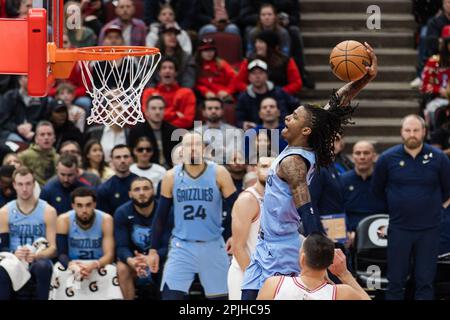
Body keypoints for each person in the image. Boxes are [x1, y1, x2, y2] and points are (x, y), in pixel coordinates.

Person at [240, 42, 378, 300]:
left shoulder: (294, 163)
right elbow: (336, 105)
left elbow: (307, 207)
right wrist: (364, 79)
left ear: (305, 130)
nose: (287, 118)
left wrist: (319, 244)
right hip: (265, 244)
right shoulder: (304, 144)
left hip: (281, 248)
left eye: (293, 116)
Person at [147, 132, 238, 300]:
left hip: (213, 245)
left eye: (197, 145)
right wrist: (153, 250)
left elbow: (237, 207)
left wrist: (234, 235)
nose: (193, 149)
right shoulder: (170, 177)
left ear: (204, 149)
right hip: (182, 247)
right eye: (189, 145)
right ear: (182, 150)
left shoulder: (219, 172)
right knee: (169, 297)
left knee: (222, 299)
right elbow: (160, 217)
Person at [372, 114, 450, 300]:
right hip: (399, 229)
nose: (412, 134)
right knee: (396, 282)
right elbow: (377, 191)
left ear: (424, 132)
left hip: (429, 230)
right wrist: (397, 207)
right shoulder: (387, 159)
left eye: (416, 130)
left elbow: (447, 190)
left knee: (425, 282)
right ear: (401, 132)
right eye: (408, 130)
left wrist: (430, 207)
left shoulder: (439, 158)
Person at [51, 187, 120, 300]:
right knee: (58, 269)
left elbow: (110, 255)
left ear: (94, 205)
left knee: (111, 270)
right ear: (73, 206)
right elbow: (61, 253)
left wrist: (94, 265)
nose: (84, 210)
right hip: (73, 263)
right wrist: (72, 265)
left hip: (98, 263)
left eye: (88, 205)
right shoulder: (63, 220)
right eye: (79, 205)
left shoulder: (106, 219)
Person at [257, 233, 371, 300]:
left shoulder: (275, 284)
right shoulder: (341, 293)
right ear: (328, 263)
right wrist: (344, 274)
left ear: (302, 259)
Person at [0, 166, 57, 300]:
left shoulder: (48, 211)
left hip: (38, 256)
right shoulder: (4, 212)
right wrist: (14, 253)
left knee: (42, 266)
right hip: (14, 258)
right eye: (20, 184)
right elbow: (3, 247)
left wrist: (37, 255)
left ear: (34, 184)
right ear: (14, 185)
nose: (24, 189)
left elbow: (54, 248)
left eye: (28, 184)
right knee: (2, 269)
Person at [114, 177, 172, 300]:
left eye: (146, 188)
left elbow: (169, 245)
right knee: (122, 268)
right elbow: (121, 246)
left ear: (154, 191)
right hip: (135, 261)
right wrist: (132, 261)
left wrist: (151, 258)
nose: (141, 193)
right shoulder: (122, 213)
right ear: (130, 194)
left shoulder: (166, 211)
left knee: (172, 263)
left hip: (161, 258)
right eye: (137, 189)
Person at [227, 156, 274, 300]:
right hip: (245, 274)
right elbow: (238, 248)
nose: (269, 170)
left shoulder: (281, 198)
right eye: (264, 166)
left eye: (273, 166)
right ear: (255, 169)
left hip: (269, 275)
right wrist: (256, 281)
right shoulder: (247, 199)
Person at [341, 141, 386, 245]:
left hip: (379, 232)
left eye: (366, 153)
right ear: (353, 157)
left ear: (374, 156)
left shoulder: (384, 181)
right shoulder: (342, 181)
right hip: (351, 234)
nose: (362, 157)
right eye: (358, 153)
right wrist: (345, 232)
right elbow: (338, 209)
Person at [235, 58, 298, 130]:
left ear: (267, 76)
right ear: (249, 77)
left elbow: (296, 107)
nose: (257, 76)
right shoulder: (243, 97)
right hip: (255, 135)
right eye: (253, 73)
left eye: (261, 73)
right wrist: (243, 124)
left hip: (281, 133)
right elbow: (239, 120)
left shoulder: (279, 92)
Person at [234, 30, 302, 95]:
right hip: (254, 98)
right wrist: (252, 90)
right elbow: (238, 82)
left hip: (280, 98)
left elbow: (297, 83)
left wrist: (280, 92)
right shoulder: (249, 60)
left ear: (270, 45)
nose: (257, 45)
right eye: (256, 42)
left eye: (260, 42)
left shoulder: (286, 61)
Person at [142, 57, 196, 129]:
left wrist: (163, 125)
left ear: (176, 73)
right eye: (164, 68)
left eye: (171, 68)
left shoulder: (187, 93)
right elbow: (148, 116)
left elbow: (188, 120)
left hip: (179, 134)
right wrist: (175, 114)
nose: (167, 71)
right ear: (159, 73)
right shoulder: (149, 92)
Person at [129, 95, 178, 168]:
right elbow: (131, 154)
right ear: (146, 111)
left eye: (161, 108)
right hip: (146, 170)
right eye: (153, 108)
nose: (157, 112)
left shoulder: (173, 131)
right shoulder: (136, 131)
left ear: (164, 111)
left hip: (170, 170)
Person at [0, 75, 48, 143]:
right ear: (19, 80)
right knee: (19, 144)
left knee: (42, 139)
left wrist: (32, 125)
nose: (31, 79)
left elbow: (44, 120)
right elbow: (3, 120)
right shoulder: (9, 96)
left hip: (34, 132)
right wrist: (17, 128)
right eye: (26, 76)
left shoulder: (43, 98)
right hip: (11, 132)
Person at [194, 97, 243, 163]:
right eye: (209, 108)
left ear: (222, 111)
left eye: (217, 108)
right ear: (204, 112)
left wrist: (208, 153)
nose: (213, 111)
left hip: (227, 169)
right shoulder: (196, 132)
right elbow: (195, 156)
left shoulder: (234, 132)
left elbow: (234, 156)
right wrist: (221, 151)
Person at [421, 25, 450, 132]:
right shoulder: (434, 62)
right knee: (434, 111)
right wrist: (440, 90)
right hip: (439, 100)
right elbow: (424, 86)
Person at [96, 145, 138, 216]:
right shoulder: (104, 189)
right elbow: (104, 218)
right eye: (118, 157)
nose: (122, 160)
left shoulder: (141, 184)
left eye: (126, 156)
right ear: (111, 161)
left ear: (131, 159)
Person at [153, 24, 196, 88]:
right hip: (157, 93)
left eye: (175, 35)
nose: (173, 37)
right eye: (169, 34)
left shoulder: (186, 58)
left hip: (180, 92)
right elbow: (149, 82)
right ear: (161, 37)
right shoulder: (152, 58)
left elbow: (188, 80)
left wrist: (182, 93)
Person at [18, 121, 59, 187]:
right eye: (42, 134)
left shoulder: (58, 158)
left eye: (49, 134)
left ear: (54, 138)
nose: (46, 138)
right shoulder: (24, 156)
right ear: (36, 139)